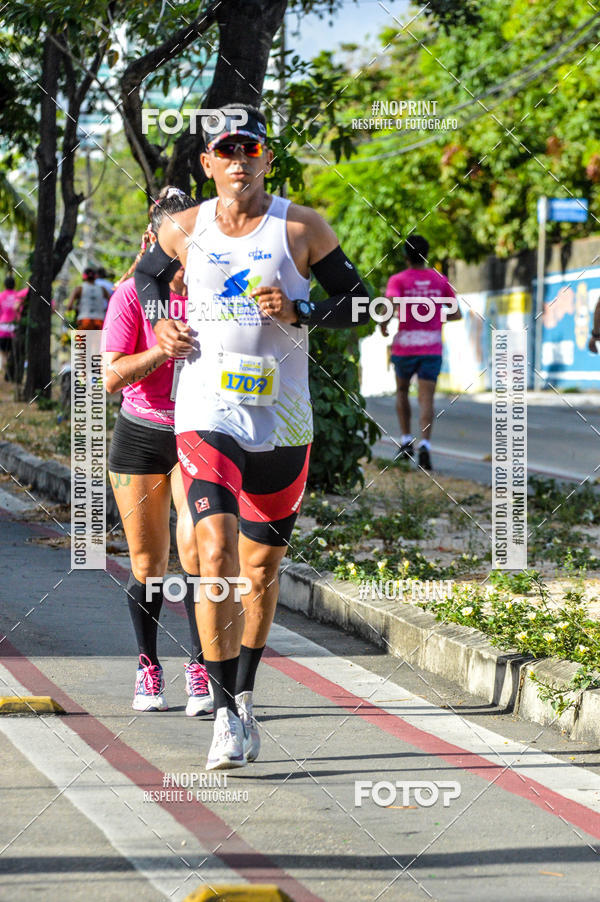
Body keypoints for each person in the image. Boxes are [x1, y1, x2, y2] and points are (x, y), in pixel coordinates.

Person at [134, 103, 370, 770]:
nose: (239, 160)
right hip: (207, 409)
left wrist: (304, 309)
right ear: (206, 164)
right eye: (225, 151)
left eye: (250, 149)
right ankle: (226, 718)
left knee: (261, 570)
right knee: (213, 552)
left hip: (284, 418)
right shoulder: (184, 227)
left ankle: (244, 693)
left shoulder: (301, 226)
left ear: (267, 158)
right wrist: (161, 325)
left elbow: (360, 302)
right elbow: (149, 278)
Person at [102, 186, 212, 716]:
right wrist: (158, 349)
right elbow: (109, 377)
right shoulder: (129, 296)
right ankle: (148, 665)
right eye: (172, 243)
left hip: (196, 433)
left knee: (196, 556)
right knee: (149, 562)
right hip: (141, 435)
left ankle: (200, 664)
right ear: (154, 241)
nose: (180, 254)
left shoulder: (215, 294)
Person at [381, 235, 462, 471]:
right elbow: (456, 314)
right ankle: (425, 444)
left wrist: (383, 325)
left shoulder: (398, 280)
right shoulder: (439, 279)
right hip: (432, 347)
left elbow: (389, 307)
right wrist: (435, 318)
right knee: (426, 398)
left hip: (405, 347)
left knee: (402, 392)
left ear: (406, 256)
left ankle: (406, 441)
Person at [0, 276, 27, 379]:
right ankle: (11, 376)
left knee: (3, 354)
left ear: (4, 285)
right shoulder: (18, 295)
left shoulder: (1, 296)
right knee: (13, 353)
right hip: (15, 327)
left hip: (2, 327)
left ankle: (4, 375)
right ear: (14, 285)